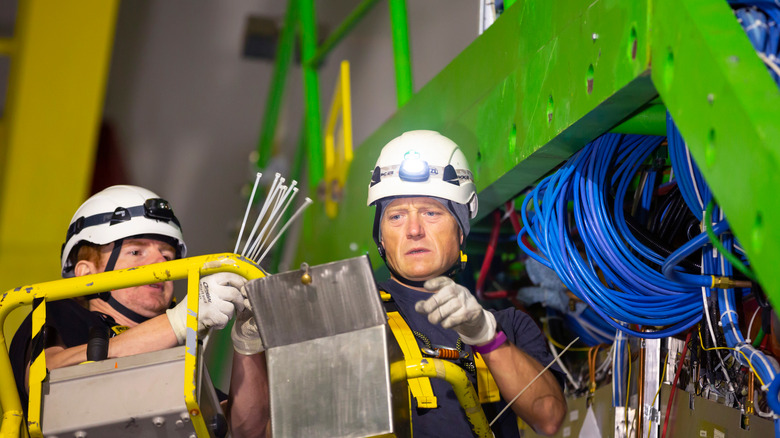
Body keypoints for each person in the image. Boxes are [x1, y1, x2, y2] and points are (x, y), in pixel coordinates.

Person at [8, 185, 268, 436]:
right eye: (136, 251)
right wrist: (177, 322)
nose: (159, 263)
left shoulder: (181, 351)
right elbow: (45, 380)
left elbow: (247, 432)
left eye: (168, 257)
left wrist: (248, 340)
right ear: (85, 272)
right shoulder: (61, 312)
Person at [367, 130, 567, 437]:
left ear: (461, 231)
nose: (414, 230)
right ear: (381, 236)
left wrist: (488, 338)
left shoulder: (510, 327)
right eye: (396, 217)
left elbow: (549, 418)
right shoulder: (359, 319)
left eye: (431, 212)